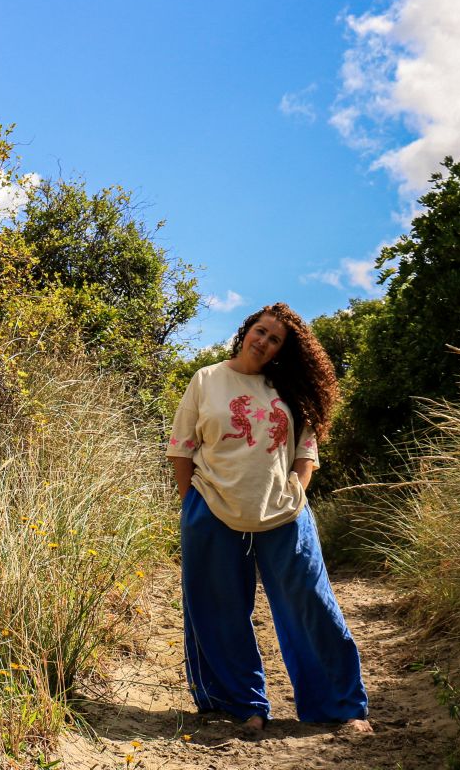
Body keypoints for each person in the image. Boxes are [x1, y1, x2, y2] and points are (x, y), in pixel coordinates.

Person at [166, 302, 371, 735]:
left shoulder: (289, 390)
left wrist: (295, 488)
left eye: (275, 339)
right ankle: (241, 706)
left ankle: (340, 706)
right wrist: (191, 505)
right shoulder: (207, 379)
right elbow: (182, 448)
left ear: (282, 350)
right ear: (246, 330)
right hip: (212, 507)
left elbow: (306, 452)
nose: (264, 341)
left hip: (283, 511)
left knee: (311, 604)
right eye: (261, 331)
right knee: (218, 608)